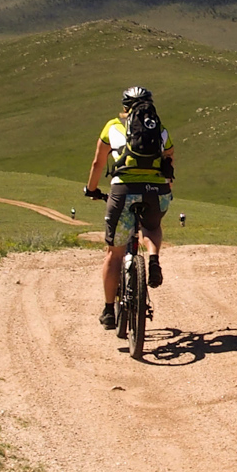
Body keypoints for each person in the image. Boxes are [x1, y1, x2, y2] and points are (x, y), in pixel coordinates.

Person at [85, 86, 174, 331]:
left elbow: (98, 162)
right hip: (157, 191)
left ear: (124, 106)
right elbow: (169, 162)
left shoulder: (112, 126)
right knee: (152, 227)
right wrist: (165, 189)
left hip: (124, 190)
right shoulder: (160, 129)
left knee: (114, 253)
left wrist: (91, 189)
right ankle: (153, 259)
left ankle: (108, 311)